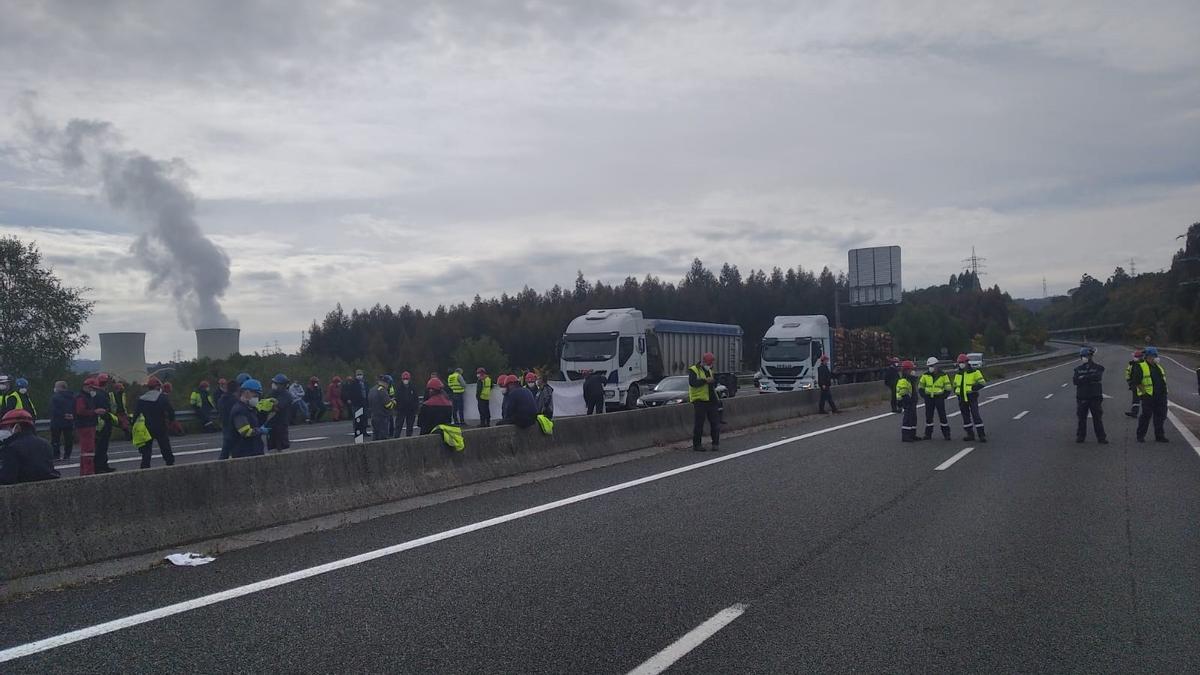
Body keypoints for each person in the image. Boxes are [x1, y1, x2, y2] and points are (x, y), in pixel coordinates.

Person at [0, 409, 60, 484]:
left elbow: (7, 479)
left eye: (6, 427)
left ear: (17, 427)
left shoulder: (11, 449)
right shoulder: (46, 444)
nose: (4, 431)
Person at [131, 377, 175, 468]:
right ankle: (170, 463)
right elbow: (170, 411)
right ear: (158, 386)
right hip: (160, 426)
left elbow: (136, 414)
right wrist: (171, 421)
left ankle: (145, 466)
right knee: (165, 446)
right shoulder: (162, 397)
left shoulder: (142, 399)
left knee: (146, 449)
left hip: (146, 427)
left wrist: (132, 424)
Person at [1130, 347, 1169, 443]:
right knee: (1146, 416)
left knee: (1160, 416)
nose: (1156, 358)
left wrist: (1164, 394)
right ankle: (1140, 436)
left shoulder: (1158, 367)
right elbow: (1137, 382)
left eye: (1156, 356)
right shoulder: (1141, 366)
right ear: (1149, 357)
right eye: (1154, 356)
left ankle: (1159, 436)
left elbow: (1162, 381)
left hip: (1160, 396)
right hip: (1149, 396)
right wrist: (1145, 394)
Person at [1073, 346, 1108, 444]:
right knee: (1081, 418)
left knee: (1097, 418)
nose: (1084, 357)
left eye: (1085, 356)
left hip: (1095, 396)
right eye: (1082, 356)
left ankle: (1101, 438)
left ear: (1090, 356)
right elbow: (1075, 381)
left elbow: (1097, 377)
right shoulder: (1077, 369)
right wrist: (1088, 378)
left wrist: (1083, 378)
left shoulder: (1098, 367)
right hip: (1082, 396)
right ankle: (1080, 436)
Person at [689, 352, 721, 452]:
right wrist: (705, 380)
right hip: (699, 401)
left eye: (711, 363)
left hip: (711, 401)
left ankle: (715, 443)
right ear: (703, 361)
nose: (710, 365)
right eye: (709, 363)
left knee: (715, 423)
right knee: (699, 424)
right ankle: (697, 445)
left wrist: (713, 382)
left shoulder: (710, 370)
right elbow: (693, 383)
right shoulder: (694, 370)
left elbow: (712, 386)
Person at [952, 353, 987, 442]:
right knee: (965, 417)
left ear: (967, 362)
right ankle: (970, 434)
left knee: (976, 416)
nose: (961, 364)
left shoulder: (975, 372)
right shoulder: (958, 374)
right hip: (961, 398)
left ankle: (981, 435)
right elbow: (955, 386)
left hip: (972, 397)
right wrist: (957, 392)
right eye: (959, 363)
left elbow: (982, 383)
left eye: (962, 362)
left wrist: (972, 389)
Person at [228, 379, 267, 458]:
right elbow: (246, 432)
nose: (257, 398)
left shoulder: (249, 409)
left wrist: (265, 412)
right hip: (244, 454)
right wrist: (261, 430)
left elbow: (256, 423)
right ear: (246, 393)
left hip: (253, 451)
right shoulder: (239, 410)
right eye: (255, 395)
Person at [919, 357, 953, 440]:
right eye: (929, 366)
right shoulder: (925, 375)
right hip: (929, 398)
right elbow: (920, 387)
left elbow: (948, 387)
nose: (930, 367)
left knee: (942, 416)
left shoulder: (943, 375)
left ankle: (946, 434)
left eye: (932, 365)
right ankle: (928, 434)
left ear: (936, 365)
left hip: (939, 398)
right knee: (929, 416)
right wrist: (924, 395)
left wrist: (944, 396)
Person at [264, 374, 294, 452]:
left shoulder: (287, 395)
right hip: (270, 426)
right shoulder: (272, 393)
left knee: (284, 448)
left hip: (281, 425)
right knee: (272, 449)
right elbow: (263, 405)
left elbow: (278, 407)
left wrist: (271, 405)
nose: (274, 385)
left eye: (276, 383)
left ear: (282, 385)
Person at [49, 380, 76, 461]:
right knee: (68, 439)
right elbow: (76, 407)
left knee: (55, 439)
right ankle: (67, 455)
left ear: (60, 387)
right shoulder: (72, 396)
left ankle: (56, 455)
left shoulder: (55, 397)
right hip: (69, 421)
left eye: (56, 386)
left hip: (57, 421)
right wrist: (72, 415)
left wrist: (63, 415)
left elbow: (53, 409)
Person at [895, 360, 920, 442]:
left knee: (913, 419)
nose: (912, 371)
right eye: (911, 369)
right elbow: (903, 393)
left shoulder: (910, 380)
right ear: (906, 370)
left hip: (911, 402)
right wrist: (909, 401)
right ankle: (905, 436)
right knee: (907, 419)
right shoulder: (903, 381)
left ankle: (912, 434)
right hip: (907, 402)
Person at [217, 377, 240, 460]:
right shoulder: (234, 400)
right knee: (233, 450)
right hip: (232, 427)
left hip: (225, 425)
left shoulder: (221, 399)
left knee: (226, 449)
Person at [344, 370, 368, 441]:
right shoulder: (353, 383)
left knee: (364, 418)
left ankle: (364, 431)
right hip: (356, 403)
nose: (359, 376)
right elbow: (350, 392)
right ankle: (357, 433)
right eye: (358, 374)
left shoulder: (365, 383)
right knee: (357, 419)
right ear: (356, 375)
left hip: (364, 402)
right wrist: (350, 399)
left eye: (360, 374)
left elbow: (367, 391)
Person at [368, 375, 394, 441]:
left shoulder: (372, 389)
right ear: (386, 383)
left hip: (374, 416)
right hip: (382, 418)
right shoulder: (382, 391)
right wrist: (394, 402)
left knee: (375, 436)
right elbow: (388, 405)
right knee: (383, 438)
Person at [393, 371, 419, 437]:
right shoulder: (399, 387)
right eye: (404, 379)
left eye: (406, 379)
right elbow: (396, 398)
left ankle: (409, 439)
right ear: (402, 379)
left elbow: (416, 399)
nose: (405, 380)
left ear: (409, 379)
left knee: (410, 427)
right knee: (398, 426)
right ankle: (396, 439)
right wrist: (397, 408)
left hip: (411, 411)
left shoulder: (413, 387)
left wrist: (415, 409)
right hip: (401, 410)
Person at [1124, 350, 1144, 418]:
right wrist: (1129, 382)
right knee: (1136, 399)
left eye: (1136, 356)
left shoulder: (1144, 364)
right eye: (1134, 356)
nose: (1134, 357)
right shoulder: (1132, 364)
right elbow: (1128, 373)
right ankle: (1134, 412)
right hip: (1134, 384)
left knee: (1145, 399)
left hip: (1142, 385)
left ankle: (1148, 413)